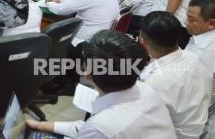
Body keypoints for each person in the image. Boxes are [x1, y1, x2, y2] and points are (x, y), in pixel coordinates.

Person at [26, 30, 177, 139]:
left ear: (87, 72)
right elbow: (90, 130)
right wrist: (43, 126)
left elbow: (97, 130)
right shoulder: (146, 90)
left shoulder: (102, 126)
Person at [139, 11, 212, 138]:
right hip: (195, 128)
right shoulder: (194, 57)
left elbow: (143, 124)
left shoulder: (155, 83)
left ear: (142, 40)